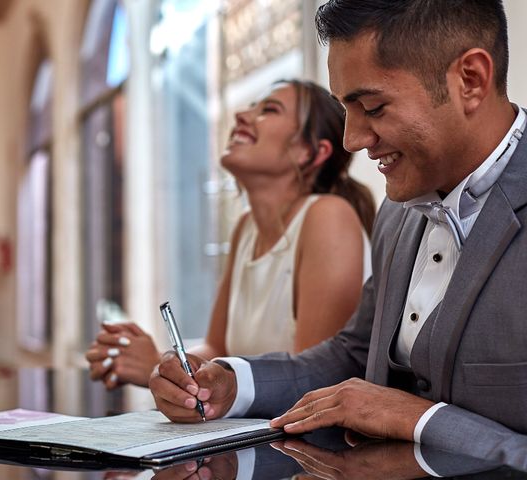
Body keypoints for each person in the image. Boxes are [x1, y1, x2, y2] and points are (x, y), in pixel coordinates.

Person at [150, 0, 527, 463]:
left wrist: (421, 419)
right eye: (345, 109)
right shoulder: (397, 212)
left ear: (470, 79)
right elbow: (356, 354)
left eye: (372, 106)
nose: (353, 140)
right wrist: (231, 382)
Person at [86, 78, 375, 389]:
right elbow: (217, 349)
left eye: (269, 110)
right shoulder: (245, 228)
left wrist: (155, 367)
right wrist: (165, 364)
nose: (241, 116)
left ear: (311, 152)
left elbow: (310, 381)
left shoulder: (328, 216)